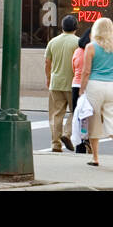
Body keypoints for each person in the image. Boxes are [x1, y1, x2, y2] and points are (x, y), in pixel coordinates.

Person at [80, 17, 113, 172]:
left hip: (95, 85)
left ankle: (95, 158)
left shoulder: (90, 47)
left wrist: (81, 90)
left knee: (94, 123)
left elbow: (86, 72)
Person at [45, 15, 79, 153]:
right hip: (72, 83)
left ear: (62, 27)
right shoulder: (78, 42)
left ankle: (56, 144)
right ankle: (67, 133)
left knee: (56, 114)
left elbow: (47, 63)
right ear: (76, 28)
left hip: (56, 82)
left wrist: (48, 78)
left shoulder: (52, 42)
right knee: (75, 111)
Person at [71, 31, 90, 153]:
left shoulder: (77, 51)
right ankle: (87, 141)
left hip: (75, 84)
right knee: (87, 117)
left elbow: (73, 67)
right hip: (87, 86)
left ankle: (79, 146)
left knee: (77, 116)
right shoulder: (91, 52)